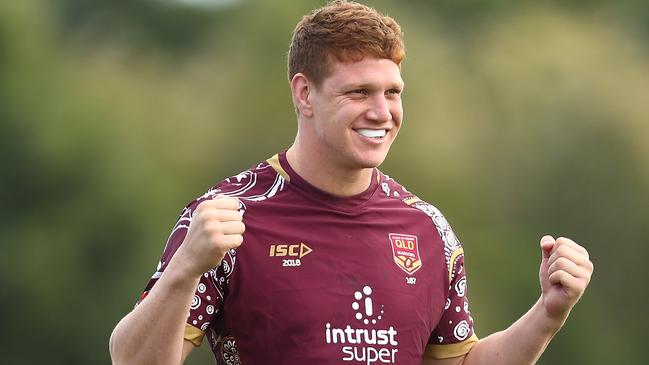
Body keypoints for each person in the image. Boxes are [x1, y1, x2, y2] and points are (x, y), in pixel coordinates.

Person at [109, 1, 594, 364]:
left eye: (393, 92)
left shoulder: (427, 229)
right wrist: (184, 270)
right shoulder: (230, 215)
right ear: (305, 94)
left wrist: (547, 315)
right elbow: (131, 359)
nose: (382, 113)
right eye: (359, 92)